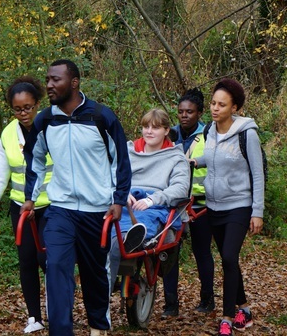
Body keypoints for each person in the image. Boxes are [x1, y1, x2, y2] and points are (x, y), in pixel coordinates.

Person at [21, 59, 131, 336]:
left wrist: (118, 200)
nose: (49, 85)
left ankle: (98, 327)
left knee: (95, 275)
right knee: (55, 265)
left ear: (74, 82)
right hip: (61, 209)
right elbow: (34, 160)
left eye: (55, 79)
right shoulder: (46, 120)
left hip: (97, 211)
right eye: (47, 79)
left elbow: (121, 161)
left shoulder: (101, 117)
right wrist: (31, 198)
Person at [0, 76, 51, 334]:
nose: (23, 113)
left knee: (48, 258)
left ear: (37, 104)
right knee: (27, 261)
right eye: (18, 109)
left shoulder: (50, 125)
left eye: (28, 107)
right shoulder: (8, 134)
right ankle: (34, 316)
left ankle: (58, 304)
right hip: (21, 208)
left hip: (51, 206)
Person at [193, 78, 264, 336]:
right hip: (214, 206)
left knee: (229, 258)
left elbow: (257, 174)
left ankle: (227, 317)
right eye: (213, 103)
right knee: (228, 258)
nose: (215, 109)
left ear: (235, 108)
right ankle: (244, 307)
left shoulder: (248, 134)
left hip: (239, 205)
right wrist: (195, 161)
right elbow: (213, 159)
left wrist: (258, 211)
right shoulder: (209, 131)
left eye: (221, 105)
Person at [107, 108, 190, 302]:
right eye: (146, 127)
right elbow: (111, 175)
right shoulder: (128, 151)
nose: (149, 131)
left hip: (154, 203)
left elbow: (180, 188)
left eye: (155, 127)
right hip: (126, 199)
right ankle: (117, 240)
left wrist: (153, 199)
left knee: (147, 218)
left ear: (166, 130)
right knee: (106, 221)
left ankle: (132, 238)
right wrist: (122, 193)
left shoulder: (175, 158)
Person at [164, 88, 215, 316]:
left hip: (200, 204)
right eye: (181, 112)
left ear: (200, 113)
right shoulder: (169, 135)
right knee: (169, 252)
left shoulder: (210, 135)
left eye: (190, 112)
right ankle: (170, 304)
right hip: (174, 204)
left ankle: (207, 300)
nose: (184, 116)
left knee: (201, 252)